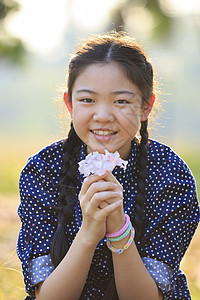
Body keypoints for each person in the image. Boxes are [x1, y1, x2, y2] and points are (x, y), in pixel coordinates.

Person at [17, 31, 200, 300]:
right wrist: (89, 233)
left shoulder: (170, 174)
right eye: (87, 100)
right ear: (69, 104)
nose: (102, 116)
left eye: (121, 101)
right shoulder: (43, 170)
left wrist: (118, 228)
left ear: (146, 107)